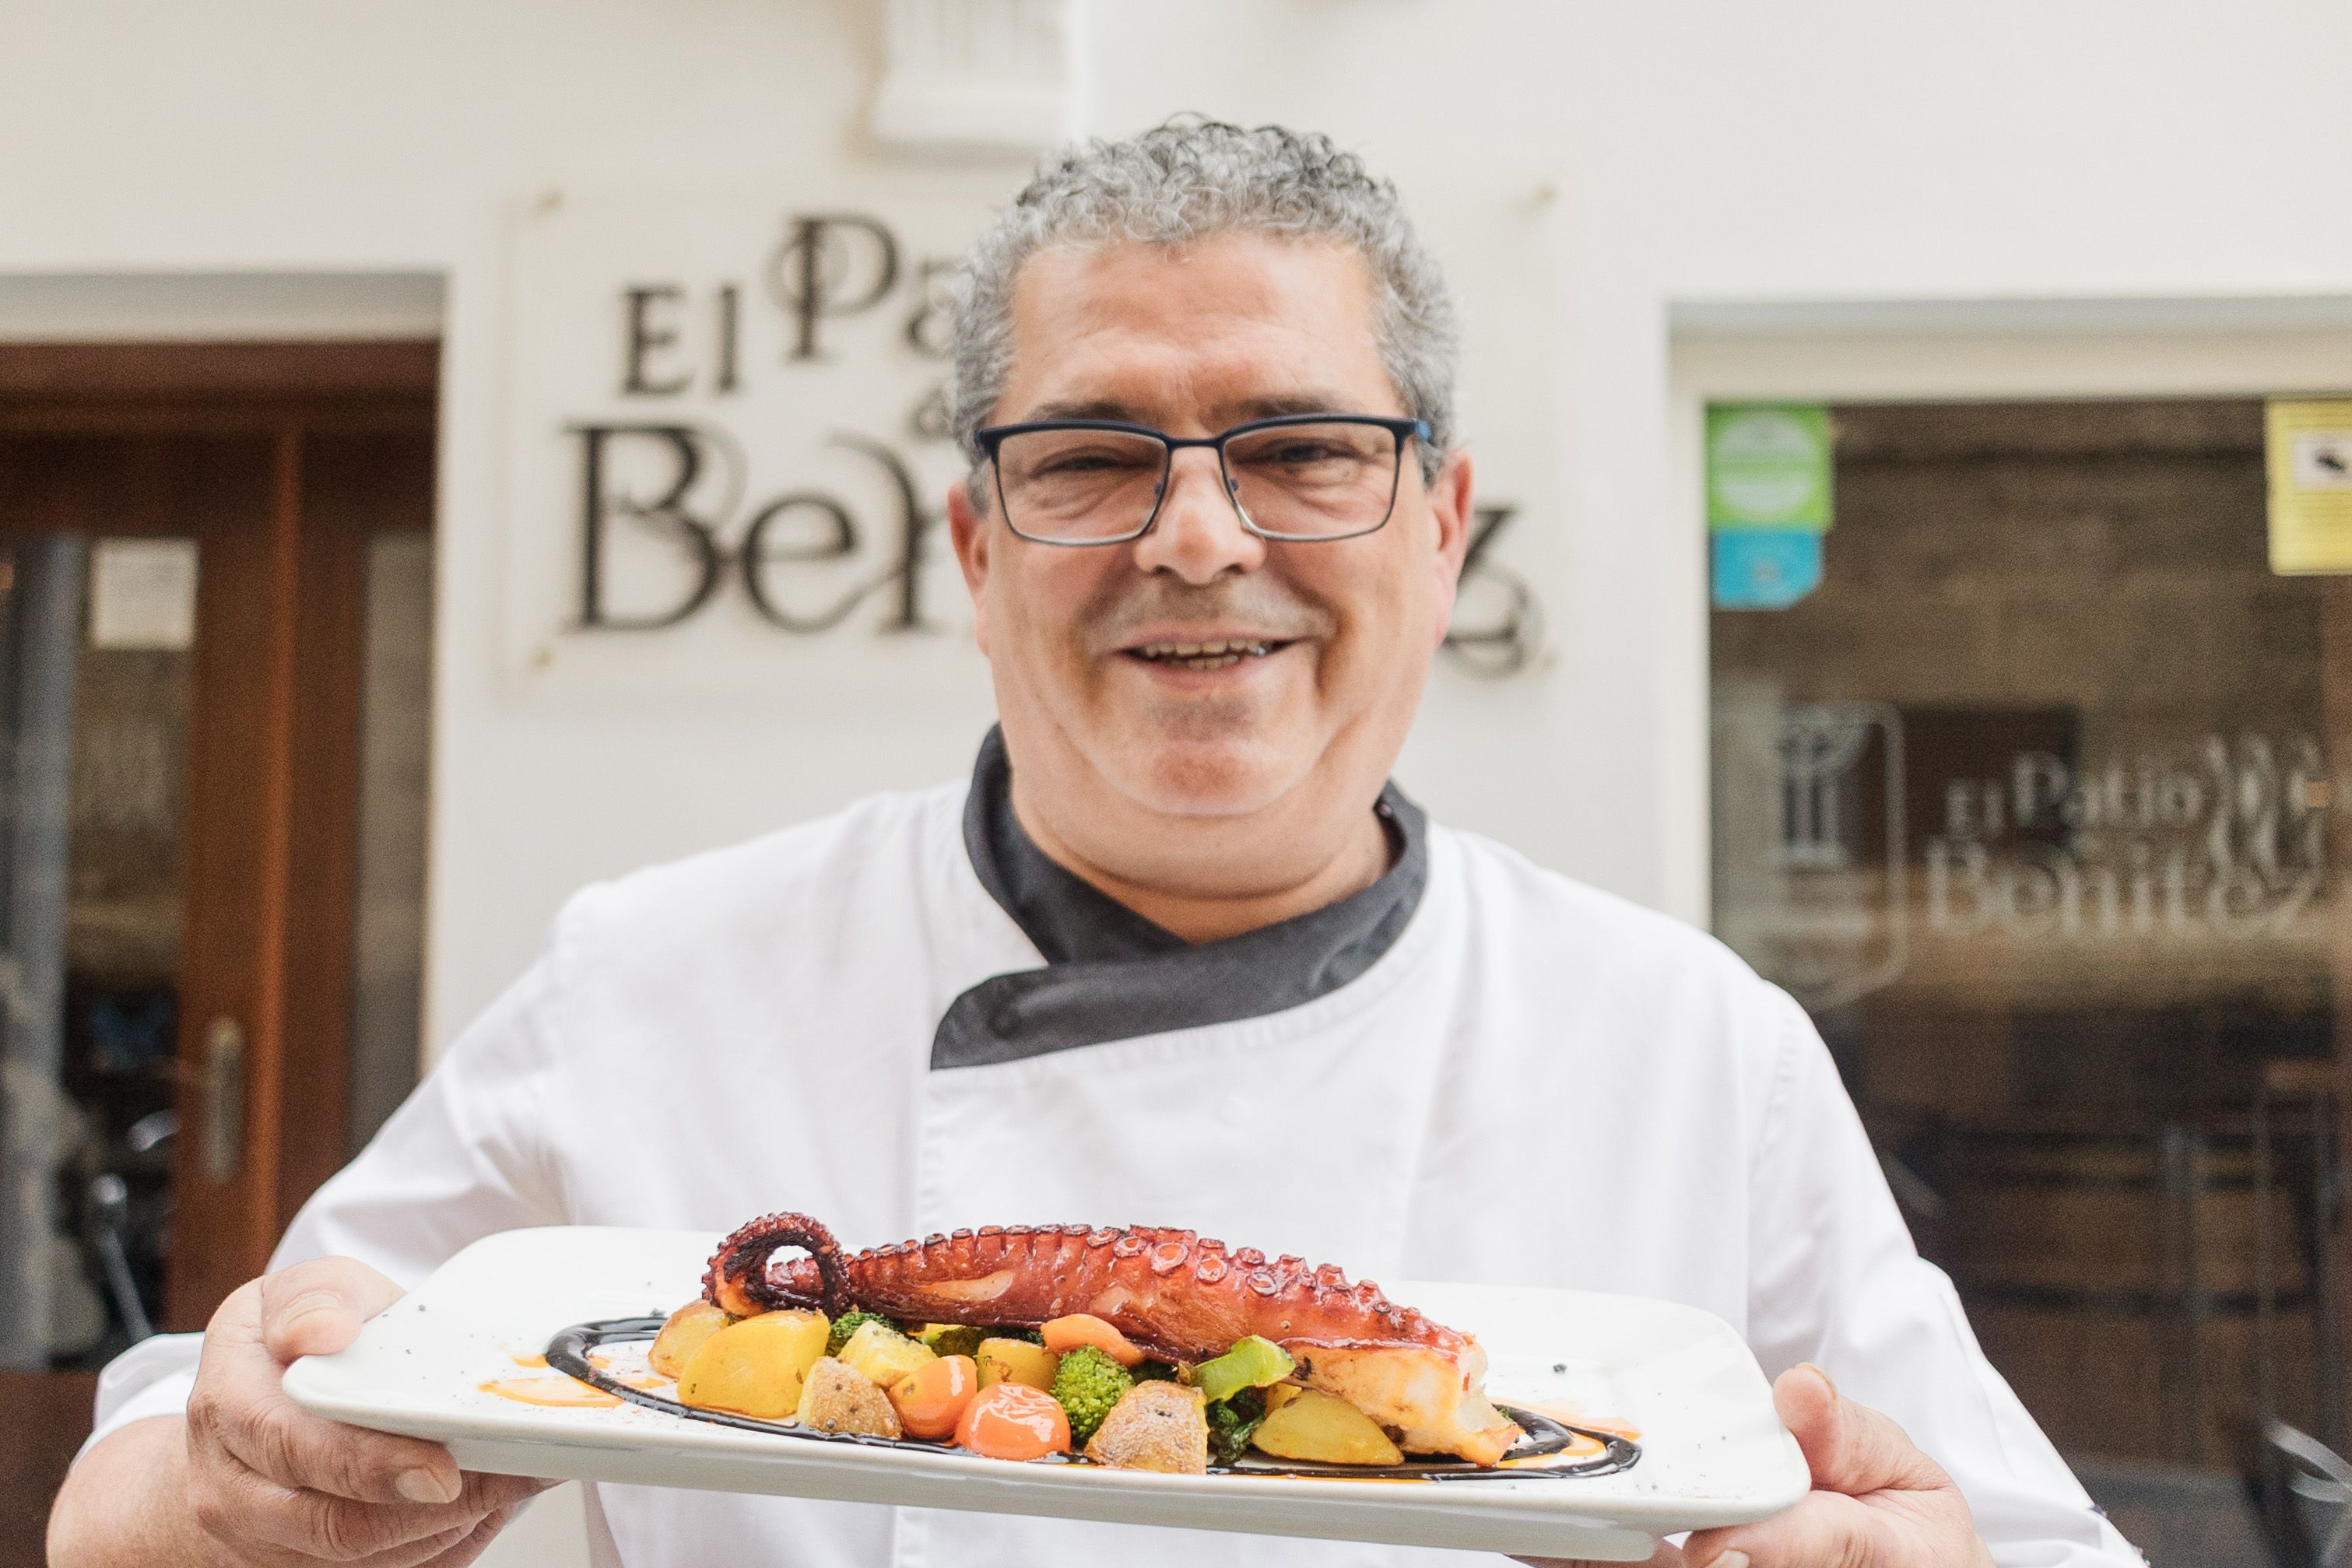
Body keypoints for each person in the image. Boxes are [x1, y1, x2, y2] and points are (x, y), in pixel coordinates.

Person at [49, 118, 2139, 1568]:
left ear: (1443, 522)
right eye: (1091, 458)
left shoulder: (1697, 1049)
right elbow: (142, 1452)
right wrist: (238, 1489)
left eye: (1304, 450)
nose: (1200, 535)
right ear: (978, 539)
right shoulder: (659, 975)